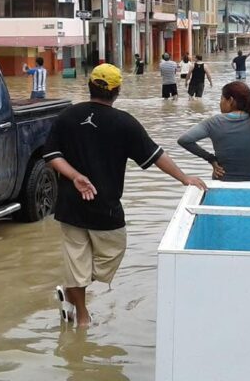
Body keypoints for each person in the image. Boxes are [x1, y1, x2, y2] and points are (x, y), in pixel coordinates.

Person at [43, 64, 206, 326]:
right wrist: (184, 178)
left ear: (89, 86)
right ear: (117, 91)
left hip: (69, 204)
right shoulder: (124, 122)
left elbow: (51, 156)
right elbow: (156, 155)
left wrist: (74, 177)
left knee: (77, 264)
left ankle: (73, 294)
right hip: (105, 208)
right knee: (110, 256)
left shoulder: (68, 116)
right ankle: (82, 316)